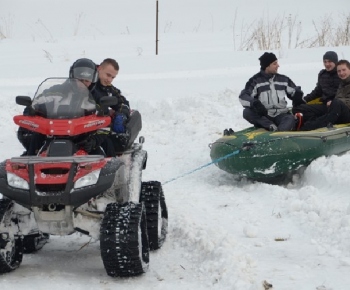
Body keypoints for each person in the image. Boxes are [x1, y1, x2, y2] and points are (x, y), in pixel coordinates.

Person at [24, 58, 101, 155]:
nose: (83, 84)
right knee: (35, 140)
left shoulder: (96, 99)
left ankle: (114, 168)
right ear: (72, 77)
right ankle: (30, 162)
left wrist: (94, 141)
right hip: (52, 136)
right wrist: (31, 110)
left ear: (93, 80)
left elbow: (104, 124)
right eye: (80, 80)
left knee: (104, 152)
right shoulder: (55, 91)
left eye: (87, 81)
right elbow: (37, 102)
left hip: (82, 140)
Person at [239, 52, 304, 132]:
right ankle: (271, 126)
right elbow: (243, 96)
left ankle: (278, 135)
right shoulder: (255, 81)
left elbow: (294, 91)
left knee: (290, 118)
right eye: (274, 63)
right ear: (267, 66)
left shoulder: (283, 79)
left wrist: (298, 94)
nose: (278, 66)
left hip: (282, 115)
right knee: (247, 112)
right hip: (265, 116)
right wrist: (254, 103)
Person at [90, 58, 133, 155]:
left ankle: (112, 166)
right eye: (108, 75)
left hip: (97, 128)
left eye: (113, 77)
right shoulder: (85, 81)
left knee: (108, 143)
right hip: (75, 125)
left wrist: (121, 114)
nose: (109, 80)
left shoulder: (107, 88)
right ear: (99, 69)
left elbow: (122, 102)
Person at [292, 51, 341, 126]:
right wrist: (304, 99)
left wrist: (333, 102)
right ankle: (312, 121)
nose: (327, 64)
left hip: (336, 106)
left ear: (335, 62)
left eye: (330, 62)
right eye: (325, 62)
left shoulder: (341, 74)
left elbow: (343, 92)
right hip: (324, 105)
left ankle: (312, 123)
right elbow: (317, 92)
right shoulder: (322, 74)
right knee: (296, 108)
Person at [300, 59, 350, 131]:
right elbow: (317, 91)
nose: (341, 73)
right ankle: (306, 124)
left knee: (336, 103)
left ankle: (311, 127)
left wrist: (335, 102)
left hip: (346, 113)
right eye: (339, 71)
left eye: (344, 70)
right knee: (308, 110)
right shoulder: (342, 83)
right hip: (337, 110)